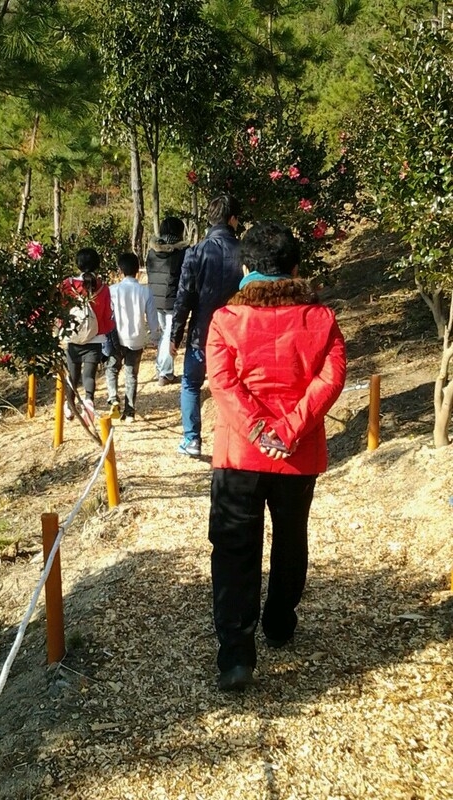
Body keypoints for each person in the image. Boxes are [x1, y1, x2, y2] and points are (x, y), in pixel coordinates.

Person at [205, 220, 346, 691]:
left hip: (240, 454)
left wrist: (261, 431)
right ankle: (280, 623)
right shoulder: (321, 319)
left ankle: (236, 655)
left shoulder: (226, 320)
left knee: (233, 550)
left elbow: (223, 384)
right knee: (290, 540)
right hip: (296, 453)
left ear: (247, 267)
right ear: (295, 267)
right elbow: (332, 378)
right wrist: (288, 429)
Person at [170, 194, 242, 457]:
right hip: (237, 334)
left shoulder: (196, 251)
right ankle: (234, 439)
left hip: (202, 332)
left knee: (191, 383)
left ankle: (192, 440)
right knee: (234, 385)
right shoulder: (245, 251)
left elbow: (184, 298)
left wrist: (175, 336)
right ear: (233, 219)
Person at [61, 248, 115, 423]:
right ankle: (89, 401)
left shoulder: (67, 284)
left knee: (72, 374)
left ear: (78, 264)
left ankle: (69, 406)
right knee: (89, 375)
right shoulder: (102, 287)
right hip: (95, 338)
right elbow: (108, 315)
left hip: (73, 337)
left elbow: (59, 309)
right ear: (97, 264)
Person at [106, 252, 159, 422]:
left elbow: (107, 314)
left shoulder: (112, 290)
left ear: (120, 270)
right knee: (131, 375)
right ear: (138, 271)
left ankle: (113, 398)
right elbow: (152, 318)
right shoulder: (145, 292)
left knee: (112, 369)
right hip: (136, 339)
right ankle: (129, 411)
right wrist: (155, 337)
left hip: (116, 338)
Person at [145, 216, 189, 386]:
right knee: (169, 335)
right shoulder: (182, 253)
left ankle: (162, 369)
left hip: (154, 299)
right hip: (173, 300)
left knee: (165, 334)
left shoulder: (151, 252)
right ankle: (165, 373)